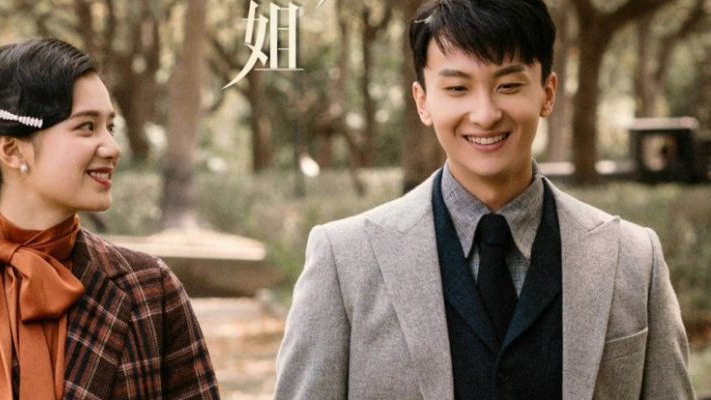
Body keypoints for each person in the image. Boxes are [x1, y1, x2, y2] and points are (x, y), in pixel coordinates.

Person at [274, 0, 695, 399]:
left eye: (508, 85)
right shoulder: (344, 261)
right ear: (423, 101)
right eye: (458, 88)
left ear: (548, 93)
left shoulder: (634, 259)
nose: (485, 113)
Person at [0, 39, 220, 400]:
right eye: (87, 126)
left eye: (110, 128)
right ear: (11, 149)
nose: (112, 148)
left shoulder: (151, 291)